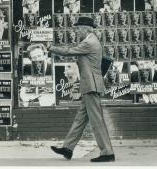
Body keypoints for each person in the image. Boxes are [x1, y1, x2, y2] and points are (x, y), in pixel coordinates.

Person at [49, 16, 115, 162]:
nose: (77, 31)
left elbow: (68, 51)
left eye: (78, 28)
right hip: (90, 85)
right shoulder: (91, 40)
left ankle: (107, 153)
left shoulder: (89, 42)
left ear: (86, 28)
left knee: (97, 120)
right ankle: (67, 148)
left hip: (91, 85)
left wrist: (50, 47)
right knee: (80, 119)